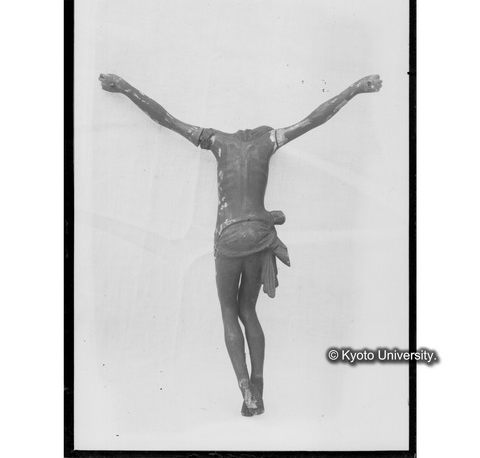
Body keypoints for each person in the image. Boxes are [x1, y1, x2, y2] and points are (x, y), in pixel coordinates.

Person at [99, 72, 383, 416]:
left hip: (229, 236)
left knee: (228, 311)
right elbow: (315, 118)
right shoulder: (268, 141)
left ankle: (245, 386)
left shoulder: (217, 140)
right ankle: (258, 381)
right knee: (248, 311)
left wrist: (123, 86)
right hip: (259, 234)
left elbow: (166, 119)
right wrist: (356, 88)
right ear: (261, 134)